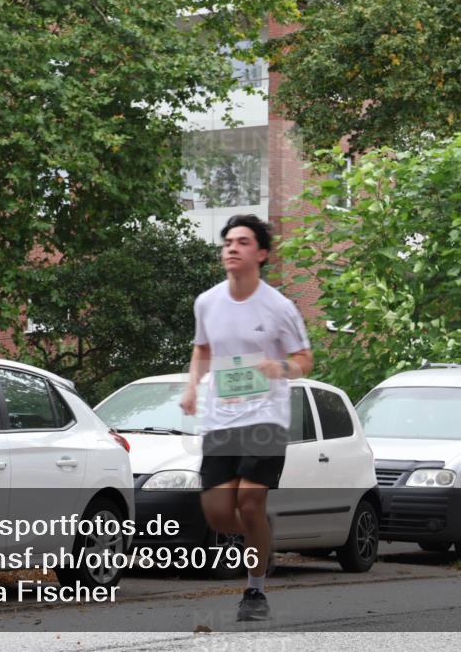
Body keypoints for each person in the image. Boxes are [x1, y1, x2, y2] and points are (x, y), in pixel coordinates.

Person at [180, 214, 313, 621]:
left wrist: (280, 368)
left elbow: (304, 360)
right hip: (221, 418)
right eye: (227, 243)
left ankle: (254, 592)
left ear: (262, 253)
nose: (232, 248)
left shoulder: (279, 307)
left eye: (242, 242)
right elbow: (203, 349)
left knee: (250, 501)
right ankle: (261, 532)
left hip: (265, 417)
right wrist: (191, 387)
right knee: (219, 514)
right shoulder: (207, 302)